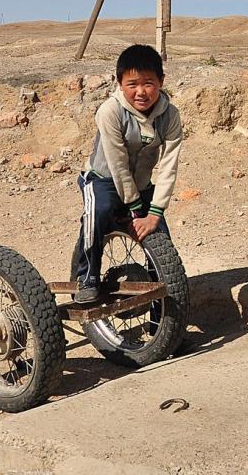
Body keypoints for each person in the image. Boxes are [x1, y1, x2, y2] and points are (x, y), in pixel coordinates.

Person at [71, 44, 184, 304]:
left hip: (141, 185)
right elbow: (118, 164)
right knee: (98, 214)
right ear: (119, 83)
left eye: (148, 83)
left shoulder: (170, 115)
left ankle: (164, 305)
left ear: (161, 81)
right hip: (103, 179)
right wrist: (135, 209)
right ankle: (86, 277)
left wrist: (154, 213)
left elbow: (169, 164)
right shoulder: (110, 111)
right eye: (132, 84)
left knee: (159, 234)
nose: (141, 92)